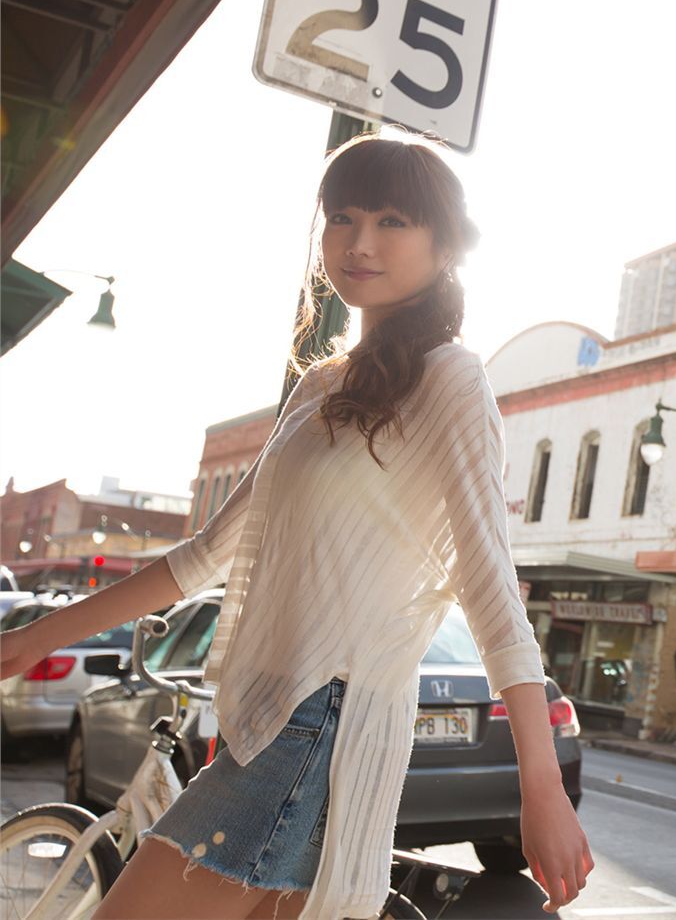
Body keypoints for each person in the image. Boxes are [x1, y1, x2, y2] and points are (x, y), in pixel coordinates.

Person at [0, 131, 592, 919]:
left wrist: (542, 789)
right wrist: (39, 637)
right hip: (271, 719)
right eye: (341, 218)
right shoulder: (319, 387)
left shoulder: (453, 379)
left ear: (445, 244)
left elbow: (490, 590)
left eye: (391, 221)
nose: (359, 242)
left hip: (319, 724)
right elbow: (206, 555)